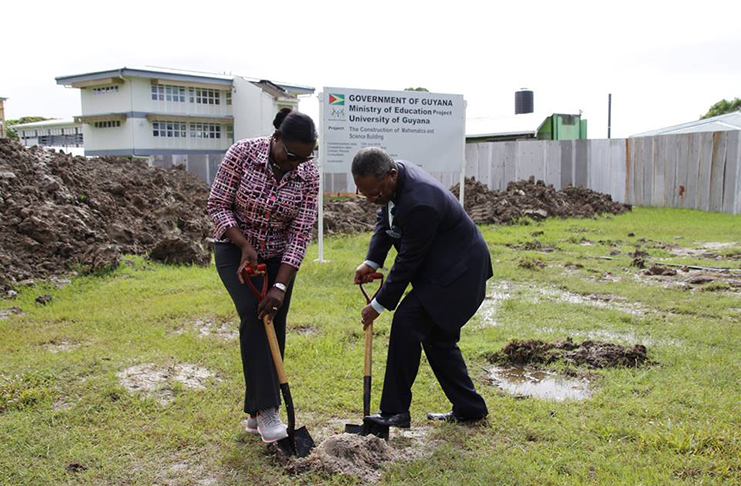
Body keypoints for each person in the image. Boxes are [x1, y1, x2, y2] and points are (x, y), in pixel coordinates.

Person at [352, 147, 491, 429]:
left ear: (391, 175)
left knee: (407, 322)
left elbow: (408, 263)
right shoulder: (392, 182)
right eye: (363, 194)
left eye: (375, 193)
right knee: (438, 339)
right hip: (444, 269)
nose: (371, 199)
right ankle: (470, 408)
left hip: (460, 275)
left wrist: (378, 305)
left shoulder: (420, 203)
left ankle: (394, 412)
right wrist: (372, 261)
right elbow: (386, 218)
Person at [207, 108, 318, 443]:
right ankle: (269, 410)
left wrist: (281, 284)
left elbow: (300, 234)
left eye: (304, 158)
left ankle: (256, 413)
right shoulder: (242, 154)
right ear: (276, 138)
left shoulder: (308, 174)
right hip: (234, 248)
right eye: (291, 155)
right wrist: (243, 245)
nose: (295, 163)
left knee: (275, 319)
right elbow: (217, 205)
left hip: (279, 257)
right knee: (255, 317)